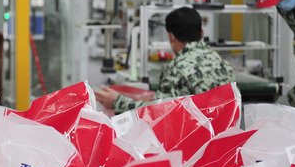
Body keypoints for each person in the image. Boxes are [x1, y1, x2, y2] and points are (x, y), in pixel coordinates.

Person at [95, 7, 236, 114]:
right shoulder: (224, 64)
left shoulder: (177, 68)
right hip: (225, 135)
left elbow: (159, 112)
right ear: (201, 33)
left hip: (197, 138)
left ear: (171, 37)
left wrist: (118, 102)